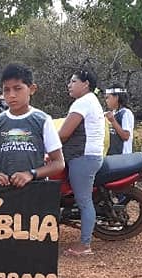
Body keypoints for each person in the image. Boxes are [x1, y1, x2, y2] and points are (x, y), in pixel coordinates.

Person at [0, 63, 65, 278]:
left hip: (35, 196)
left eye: (17, 89)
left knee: (31, 254)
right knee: (2, 255)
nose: (11, 95)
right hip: (3, 198)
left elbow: (58, 163)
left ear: (31, 89)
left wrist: (31, 173)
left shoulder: (42, 120)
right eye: (6, 90)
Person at [58, 68, 105, 256]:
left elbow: (64, 134)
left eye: (73, 81)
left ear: (85, 84)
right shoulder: (91, 101)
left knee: (84, 201)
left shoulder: (83, 103)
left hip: (82, 158)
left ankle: (85, 245)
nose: (69, 85)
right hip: (88, 156)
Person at [104, 86, 134, 155]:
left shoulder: (125, 113)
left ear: (116, 97)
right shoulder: (113, 113)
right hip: (112, 156)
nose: (106, 101)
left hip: (122, 157)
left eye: (108, 97)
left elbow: (126, 136)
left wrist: (113, 121)